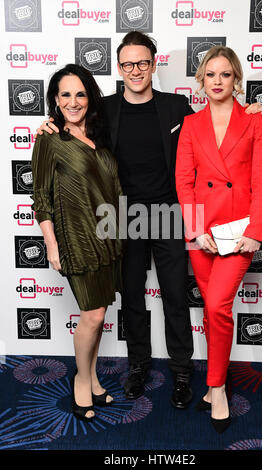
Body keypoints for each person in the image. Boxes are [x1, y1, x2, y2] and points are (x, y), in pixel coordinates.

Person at [36, 32, 262, 410]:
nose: (136, 70)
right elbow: (71, 130)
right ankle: (138, 366)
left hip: (176, 213)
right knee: (132, 298)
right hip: (121, 216)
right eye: (128, 64)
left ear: (154, 63)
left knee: (176, 296)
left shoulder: (177, 107)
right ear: (120, 68)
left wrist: (251, 110)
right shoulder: (104, 110)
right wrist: (48, 125)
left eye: (143, 63)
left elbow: (217, 127)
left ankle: (180, 371)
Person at [175, 45, 262, 432]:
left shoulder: (254, 121)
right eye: (211, 74)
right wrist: (196, 231)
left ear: (236, 79)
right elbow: (184, 181)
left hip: (239, 232)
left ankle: (217, 387)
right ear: (201, 80)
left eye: (225, 74)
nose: (218, 81)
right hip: (204, 234)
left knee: (217, 306)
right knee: (214, 312)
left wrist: (255, 232)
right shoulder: (191, 125)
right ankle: (216, 385)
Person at [31, 64, 123, 422]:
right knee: (92, 315)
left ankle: (93, 378)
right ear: (55, 99)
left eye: (80, 94)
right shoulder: (49, 140)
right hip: (75, 240)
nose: (73, 101)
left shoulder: (101, 135)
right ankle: (82, 381)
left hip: (109, 239)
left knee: (99, 318)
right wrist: (52, 245)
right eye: (65, 94)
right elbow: (40, 197)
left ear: (90, 97)